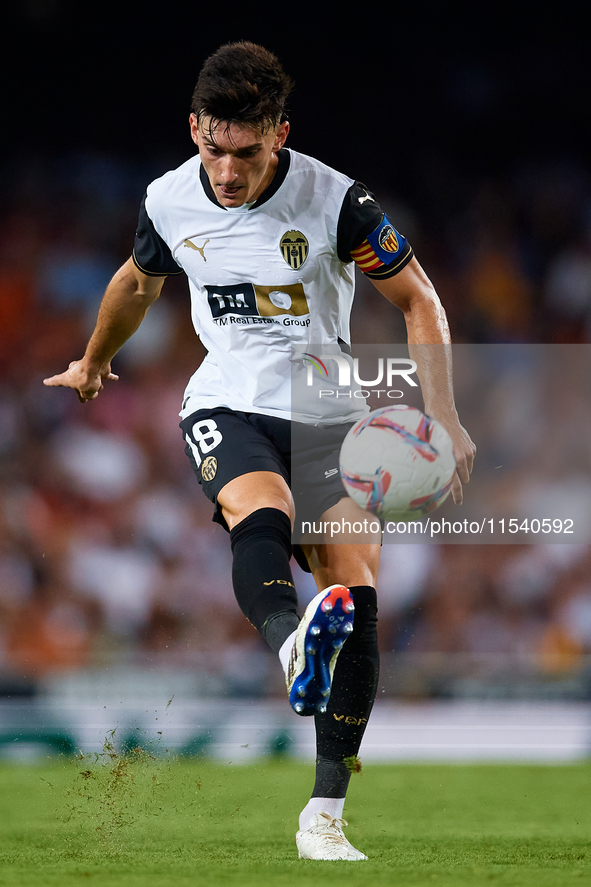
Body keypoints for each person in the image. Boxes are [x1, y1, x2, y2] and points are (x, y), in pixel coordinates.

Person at [44, 42, 476, 861]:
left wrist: (444, 416)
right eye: (213, 148)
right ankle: (289, 642)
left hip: (326, 408)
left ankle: (323, 816)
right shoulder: (170, 199)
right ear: (194, 128)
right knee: (260, 511)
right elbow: (137, 282)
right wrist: (95, 361)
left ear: (280, 134)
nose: (228, 171)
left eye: (246, 153)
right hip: (226, 398)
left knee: (356, 589)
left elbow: (418, 298)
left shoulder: (337, 201)